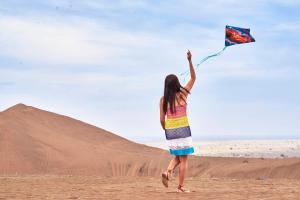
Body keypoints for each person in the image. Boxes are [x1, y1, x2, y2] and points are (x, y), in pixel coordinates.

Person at [160, 50, 196, 193]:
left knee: (178, 155)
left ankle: (168, 172)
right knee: (184, 159)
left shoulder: (163, 100)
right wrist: (189, 61)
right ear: (176, 84)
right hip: (183, 131)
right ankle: (180, 188)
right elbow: (193, 77)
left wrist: (167, 130)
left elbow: (162, 119)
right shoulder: (182, 95)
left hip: (171, 132)